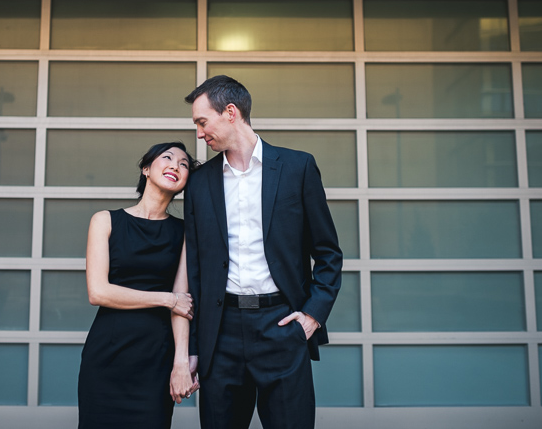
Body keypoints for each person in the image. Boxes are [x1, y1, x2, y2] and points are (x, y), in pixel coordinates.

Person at [183, 76, 343, 429]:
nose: (199, 133)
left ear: (230, 112)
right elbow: (195, 269)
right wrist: (193, 347)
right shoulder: (199, 182)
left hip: (282, 327)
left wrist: (312, 317)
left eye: (201, 122)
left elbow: (328, 253)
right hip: (220, 334)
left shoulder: (297, 168)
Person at [78, 141, 200, 429]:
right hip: (107, 353)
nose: (175, 165)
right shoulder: (106, 221)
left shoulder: (183, 232)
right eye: (167, 158)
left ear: (184, 183)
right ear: (146, 168)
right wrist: (167, 299)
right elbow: (98, 292)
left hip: (156, 357)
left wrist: (181, 362)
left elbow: (184, 303)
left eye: (184, 164)